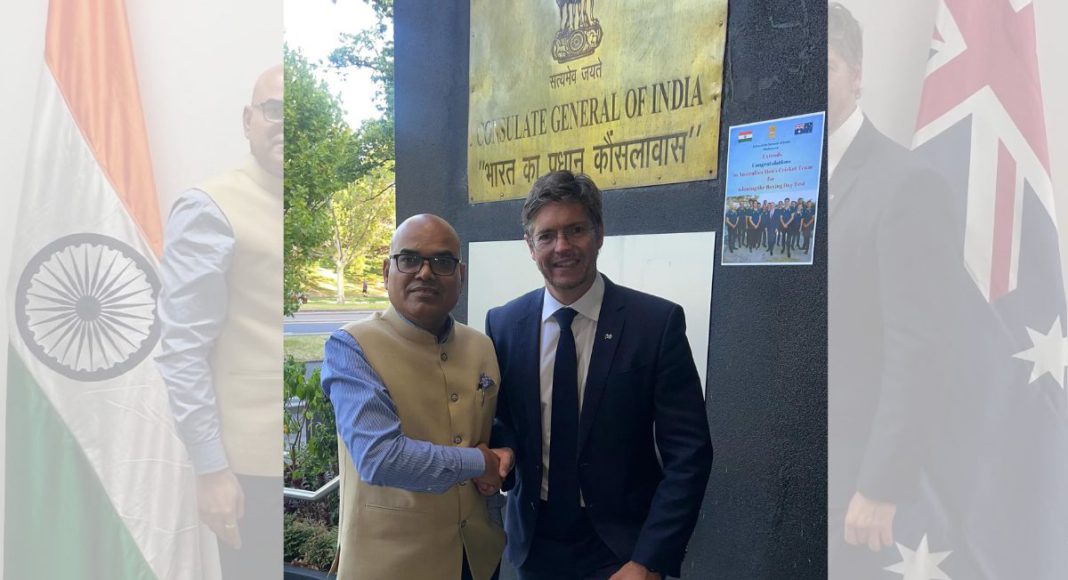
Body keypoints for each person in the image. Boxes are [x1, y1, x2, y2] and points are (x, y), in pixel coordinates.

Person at [485, 171, 714, 580]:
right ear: (529, 246)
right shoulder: (503, 324)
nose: (562, 247)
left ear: (600, 233)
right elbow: (503, 421)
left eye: (575, 230)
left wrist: (648, 560)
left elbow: (689, 454)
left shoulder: (655, 325)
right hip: (533, 545)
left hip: (622, 550)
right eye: (547, 235)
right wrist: (501, 452)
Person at [321, 214, 509, 580]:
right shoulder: (351, 347)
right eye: (409, 259)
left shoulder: (481, 345)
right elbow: (379, 457)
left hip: (478, 559)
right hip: (390, 564)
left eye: (442, 262)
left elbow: (492, 428)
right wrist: (479, 463)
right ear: (386, 270)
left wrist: (505, 458)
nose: (425, 273)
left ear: (461, 275)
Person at [156, 65, 284, 579]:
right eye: (276, 110)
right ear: (248, 120)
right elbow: (181, 349)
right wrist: (211, 468)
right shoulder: (210, 207)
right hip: (249, 470)